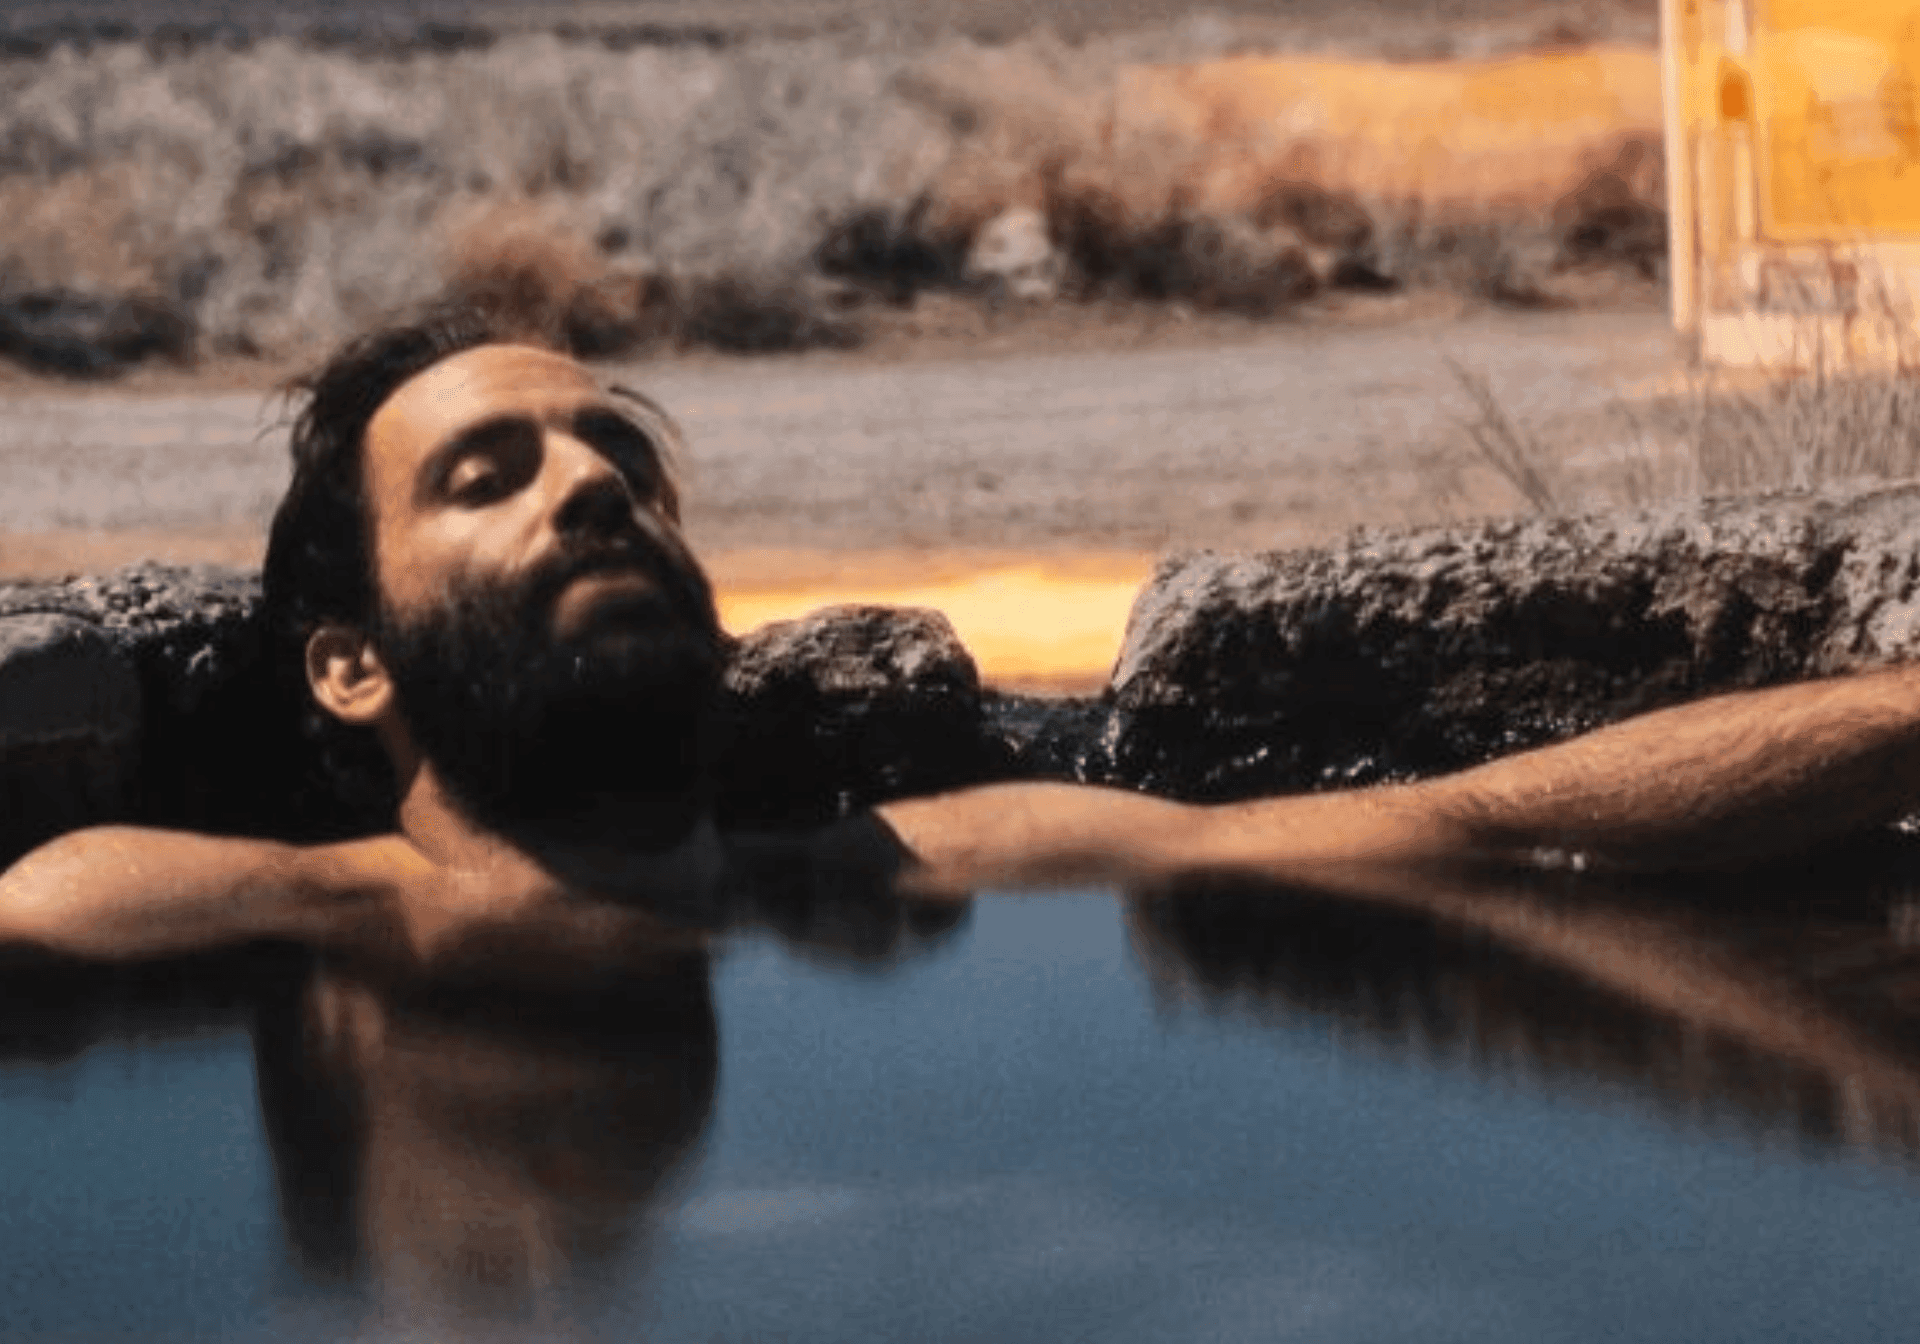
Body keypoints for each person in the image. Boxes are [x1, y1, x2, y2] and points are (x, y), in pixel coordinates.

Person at [6, 305, 1920, 976]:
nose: (592, 489)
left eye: (621, 458)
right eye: (487, 474)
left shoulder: (951, 868)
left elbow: (1492, 830)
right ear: (353, 665)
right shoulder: (154, 914)